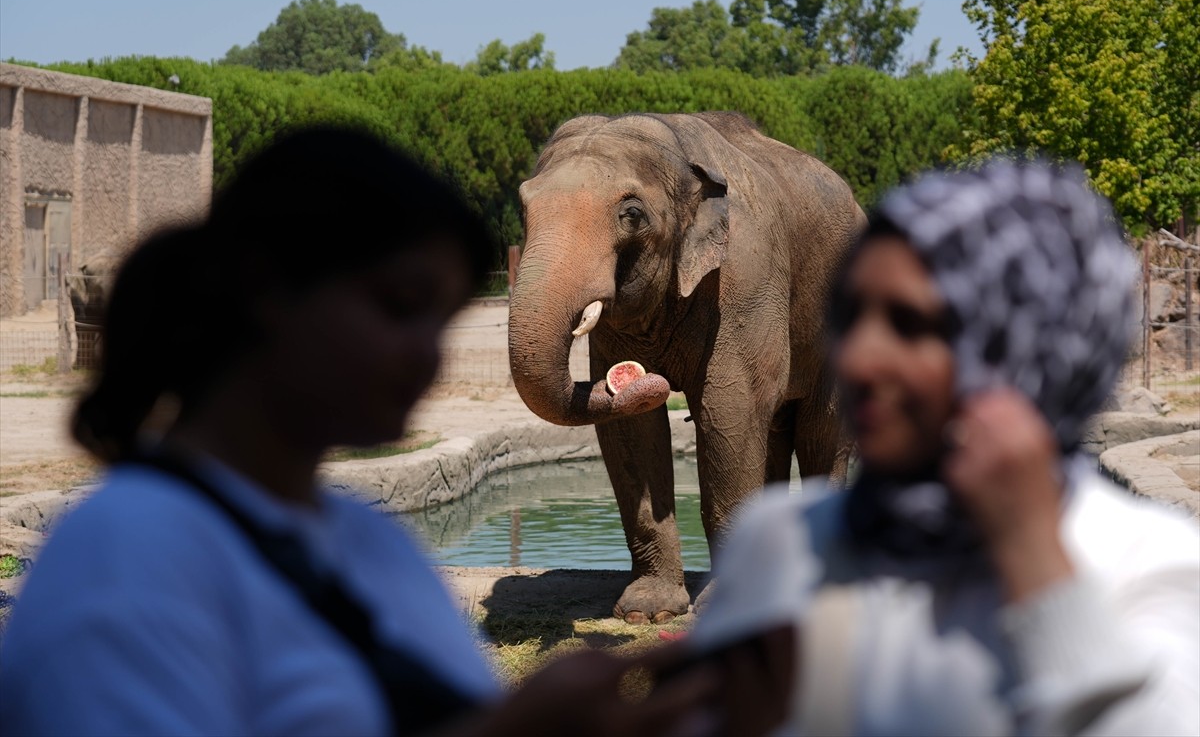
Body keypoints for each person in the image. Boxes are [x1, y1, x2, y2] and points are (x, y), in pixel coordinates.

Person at [0, 126, 719, 737]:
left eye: (439, 319)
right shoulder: (125, 560)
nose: (428, 353)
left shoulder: (365, 543)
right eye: (400, 304)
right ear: (265, 290)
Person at [693, 159, 1200, 736]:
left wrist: (1032, 553)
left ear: (1019, 346)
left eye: (910, 324)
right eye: (852, 315)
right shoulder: (782, 541)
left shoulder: (1152, 563)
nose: (857, 358)